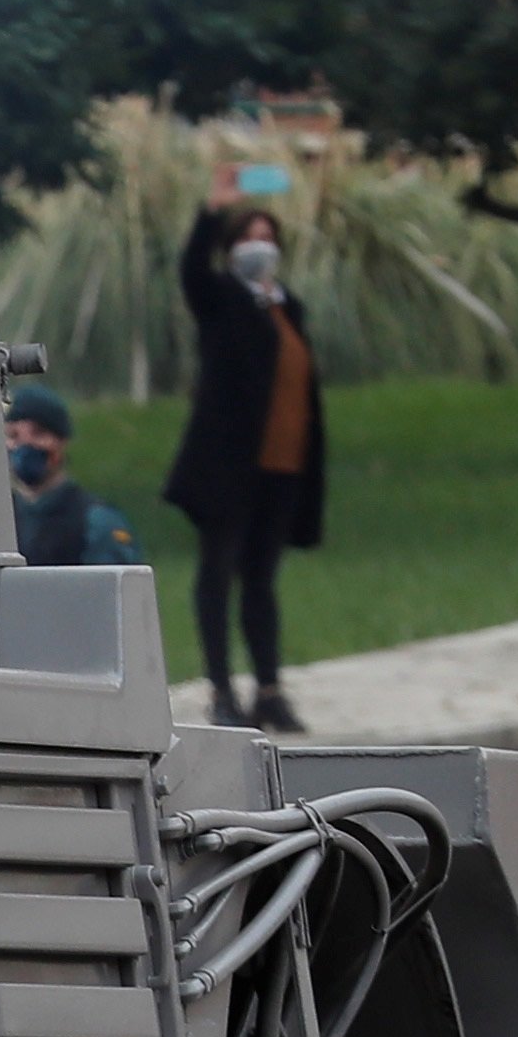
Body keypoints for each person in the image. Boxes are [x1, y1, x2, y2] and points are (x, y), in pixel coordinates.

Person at [160, 202, 325, 732]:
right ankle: (221, 689)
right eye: (249, 238)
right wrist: (208, 217)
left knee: (262, 580)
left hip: (283, 466)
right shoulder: (223, 300)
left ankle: (270, 689)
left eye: (268, 236)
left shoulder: (287, 307)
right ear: (232, 249)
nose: (261, 246)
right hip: (229, 467)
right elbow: (191, 273)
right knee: (218, 574)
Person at [5, 391, 144, 570]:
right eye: (13, 435)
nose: (25, 444)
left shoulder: (97, 522)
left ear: (61, 442)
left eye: (38, 433)